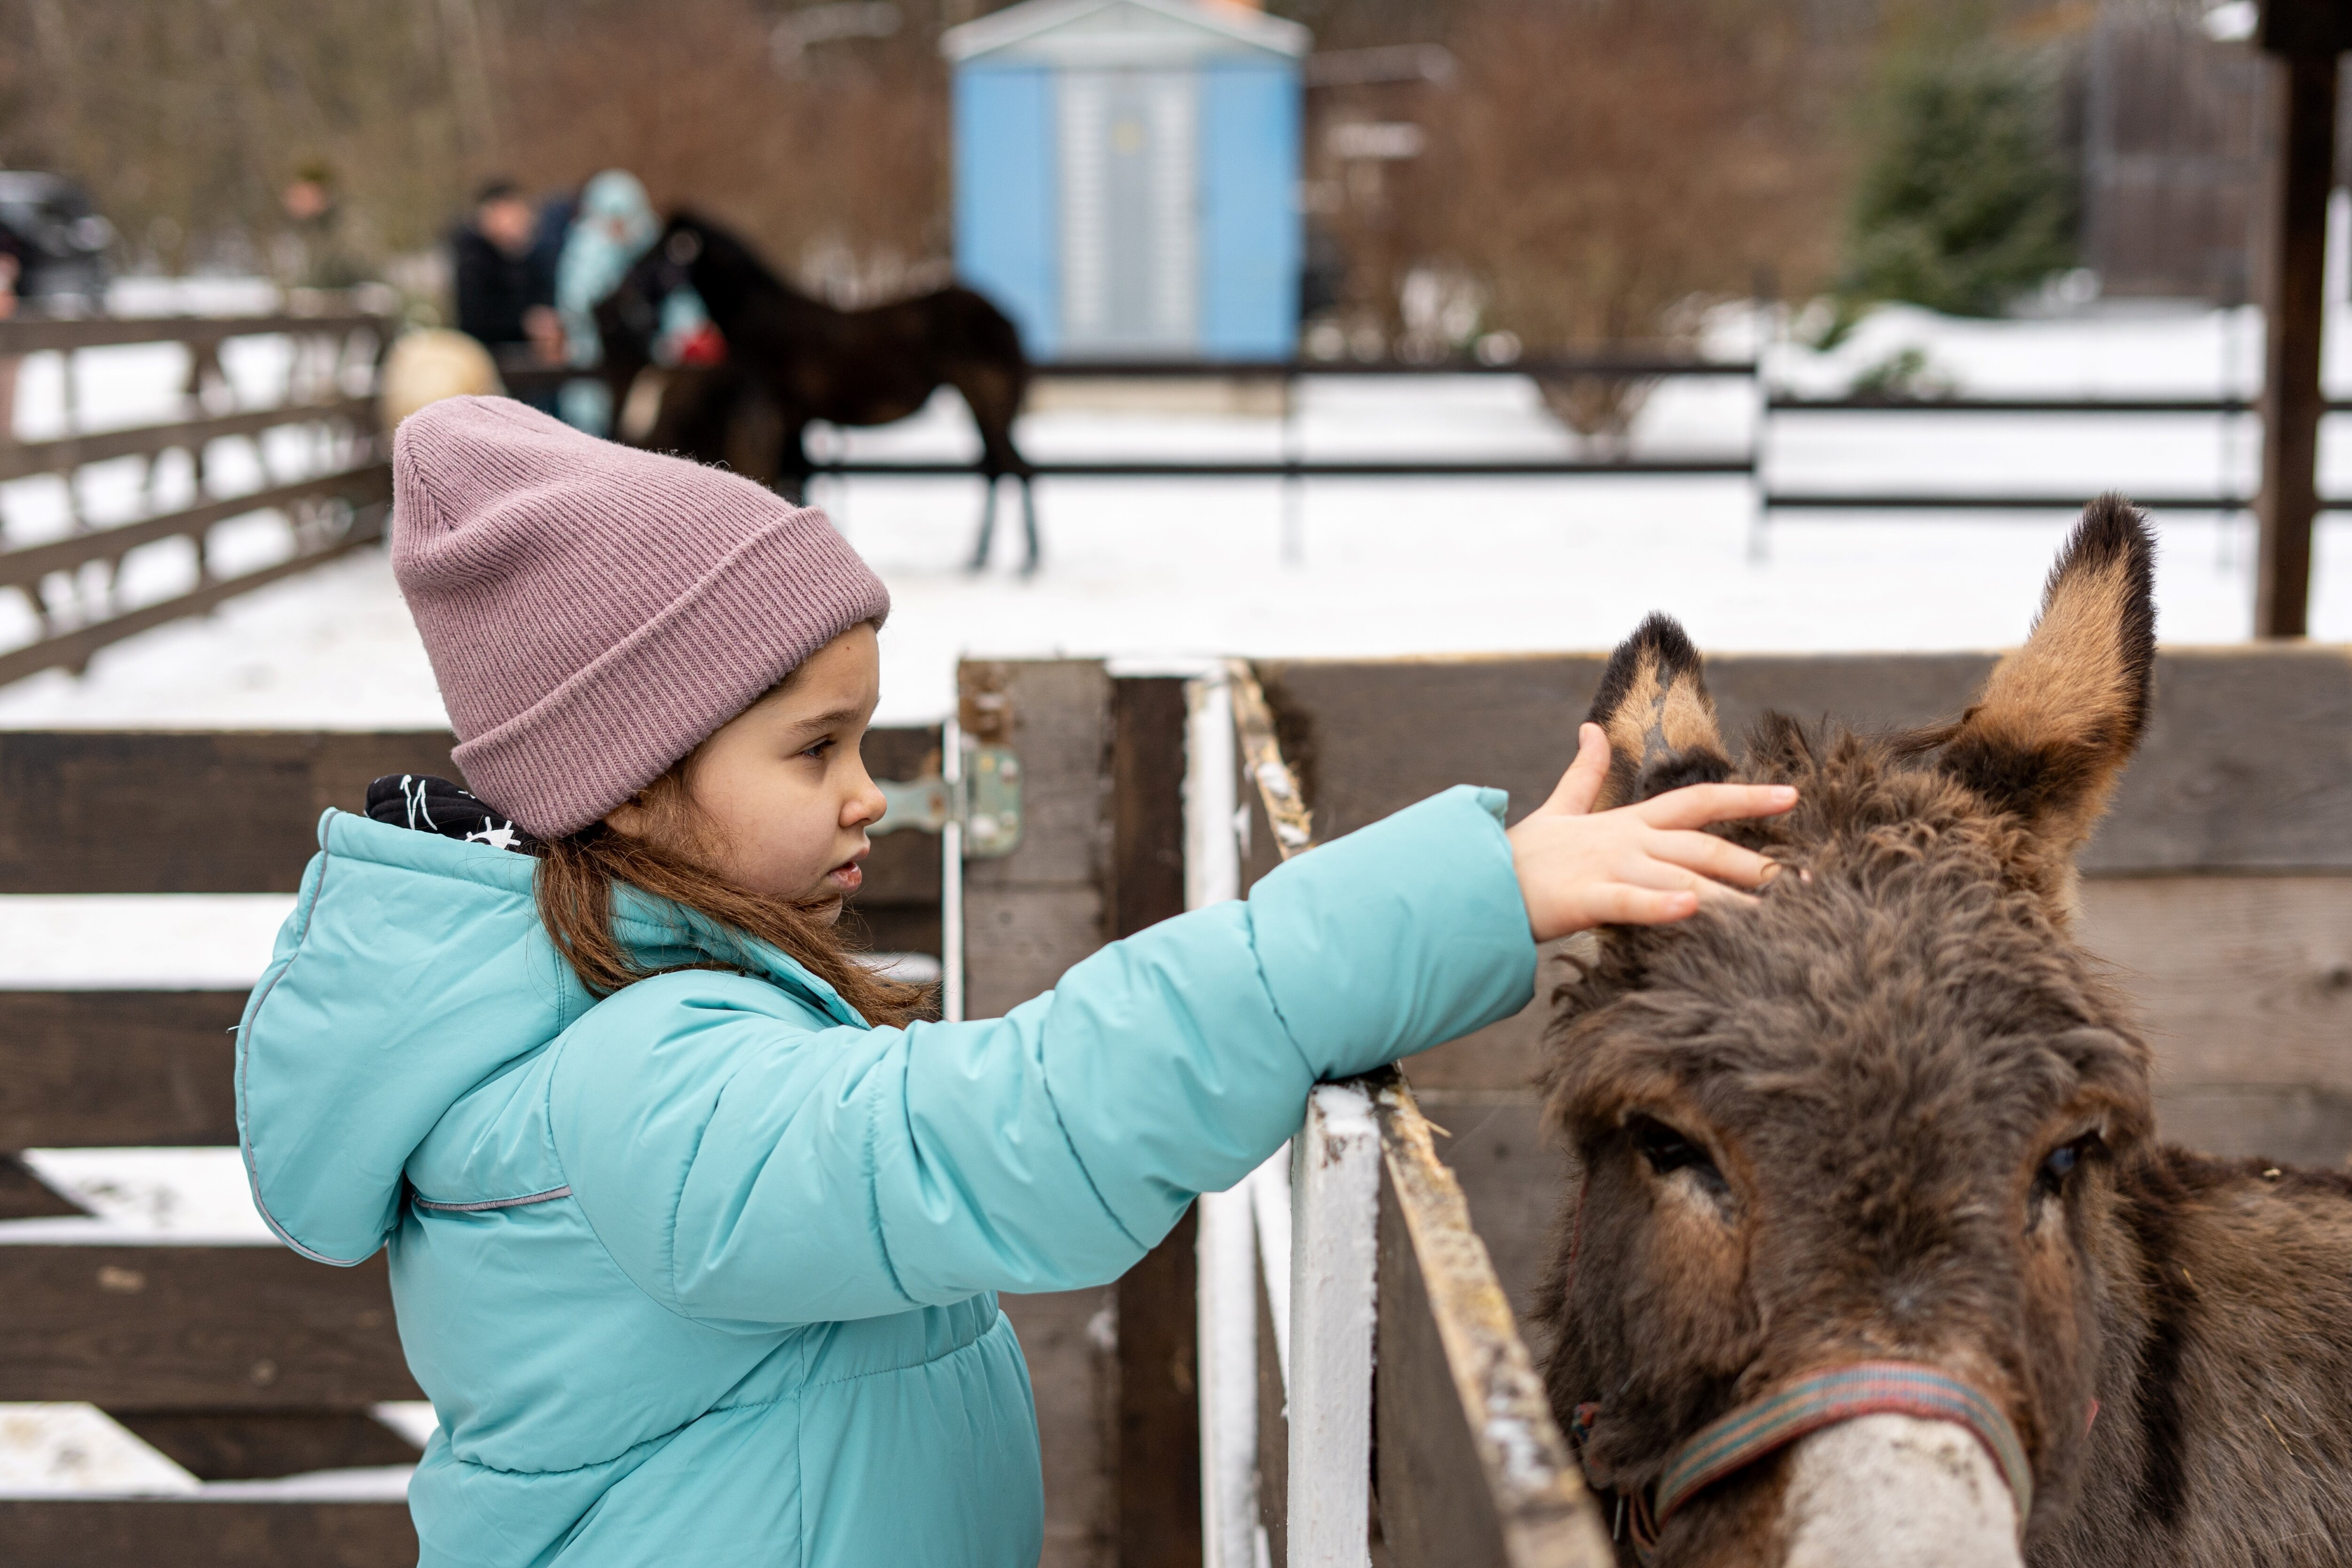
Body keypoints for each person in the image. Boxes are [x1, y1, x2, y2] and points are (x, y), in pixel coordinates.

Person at [237, 397, 1794, 1568]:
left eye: (864, 736)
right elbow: (1008, 1123)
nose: (869, 793)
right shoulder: (646, 1081)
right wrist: (1461, 897)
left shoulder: (604, 1035)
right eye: (812, 749)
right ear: (628, 785)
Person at [551, 168, 708, 433]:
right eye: (611, 219)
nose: (619, 228)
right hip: (596, 357)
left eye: (625, 218)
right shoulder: (585, 252)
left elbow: (679, 301)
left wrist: (681, 338)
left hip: (654, 360)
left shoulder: (653, 250)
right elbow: (577, 304)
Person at [450, 180, 561, 363]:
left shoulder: (534, 255)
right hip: (489, 358)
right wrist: (526, 323)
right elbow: (476, 319)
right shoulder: (473, 258)